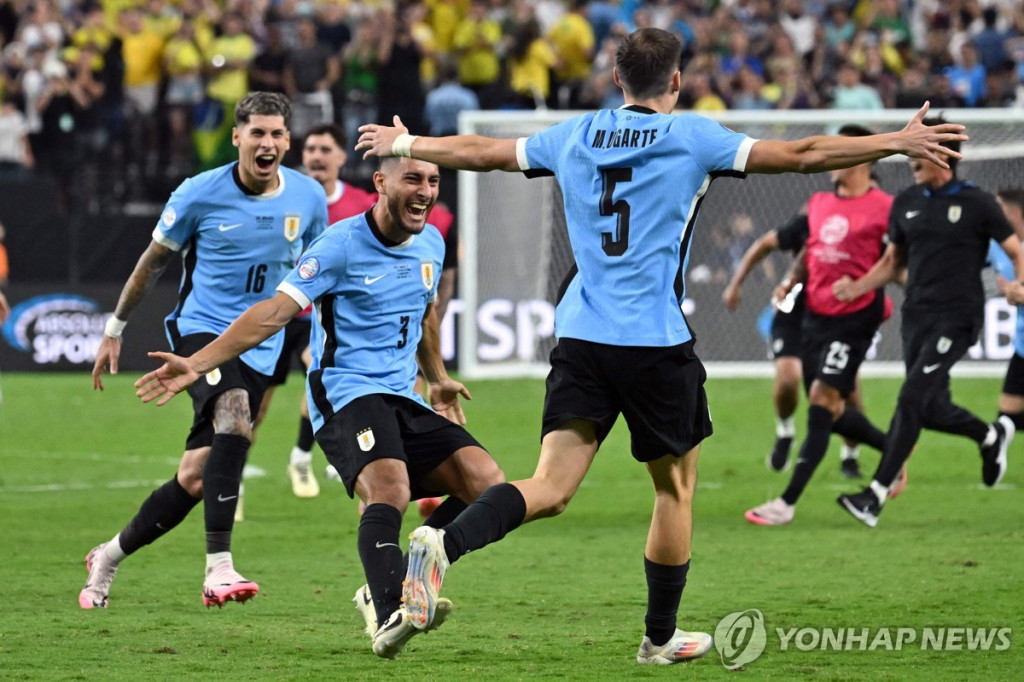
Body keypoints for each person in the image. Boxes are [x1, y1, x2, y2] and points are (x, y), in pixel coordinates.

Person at [354, 27, 967, 663]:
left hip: (581, 338)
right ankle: (659, 637)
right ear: (676, 81)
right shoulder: (693, 136)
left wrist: (403, 143)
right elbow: (807, 152)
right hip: (653, 341)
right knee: (674, 490)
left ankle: (442, 546)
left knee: (550, 485)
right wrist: (896, 140)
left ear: (617, 79)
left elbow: (481, 150)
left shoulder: (575, 135)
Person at [134, 155, 506, 659]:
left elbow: (425, 310)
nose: (425, 191)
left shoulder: (433, 241)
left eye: (433, 180)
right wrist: (198, 363)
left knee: (488, 484)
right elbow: (273, 314)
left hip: (404, 394)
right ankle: (391, 605)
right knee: (390, 489)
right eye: (412, 178)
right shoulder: (338, 245)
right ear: (381, 183)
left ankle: (405, 574)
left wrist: (437, 378)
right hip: (346, 391)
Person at [80, 92, 328, 610]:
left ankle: (107, 555)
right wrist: (116, 327)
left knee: (195, 475)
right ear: (236, 137)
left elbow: (322, 276)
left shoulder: (308, 199)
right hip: (202, 334)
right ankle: (219, 569)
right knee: (236, 419)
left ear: (288, 141)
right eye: (256, 132)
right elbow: (153, 262)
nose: (267, 143)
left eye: (277, 134)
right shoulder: (198, 193)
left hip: (263, 342)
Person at [834, 127, 1024, 528]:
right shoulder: (906, 202)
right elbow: (891, 262)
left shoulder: (977, 203)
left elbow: (1014, 248)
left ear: (945, 156)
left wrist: (1020, 285)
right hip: (916, 316)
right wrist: (857, 287)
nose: (911, 161)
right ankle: (989, 437)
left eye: (919, 153)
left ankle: (875, 495)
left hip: (957, 319)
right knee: (930, 406)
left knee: (911, 395)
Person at [742, 124, 894, 526]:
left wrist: (861, 286)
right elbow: (812, 250)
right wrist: (791, 279)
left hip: (856, 318)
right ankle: (894, 452)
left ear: (859, 157)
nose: (829, 158)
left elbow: (898, 262)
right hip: (815, 318)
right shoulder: (819, 202)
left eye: (837, 150)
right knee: (832, 411)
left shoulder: (886, 207)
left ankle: (787, 502)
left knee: (823, 401)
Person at [252, 122, 375, 501]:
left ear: (342, 156)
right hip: (278, 310)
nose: (317, 157)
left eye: (325, 150)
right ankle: (232, 471)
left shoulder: (361, 202)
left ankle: (302, 453)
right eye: (311, 150)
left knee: (322, 375)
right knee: (256, 404)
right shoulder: (283, 195)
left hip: (322, 318)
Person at [723, 212, 868, 477]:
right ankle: (785, 432)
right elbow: (764, 244)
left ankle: (850, 457)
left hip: (834, 314)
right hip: (794, 312)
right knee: (789, 379)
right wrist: (735, 283)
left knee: (850, 392)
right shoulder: (811, 219)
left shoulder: (865, 225)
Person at [988, 189, 1024, 434]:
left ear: (1015, 212)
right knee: (1007, 418)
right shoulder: (997, 247)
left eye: (998, 208)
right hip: (1022, 345)